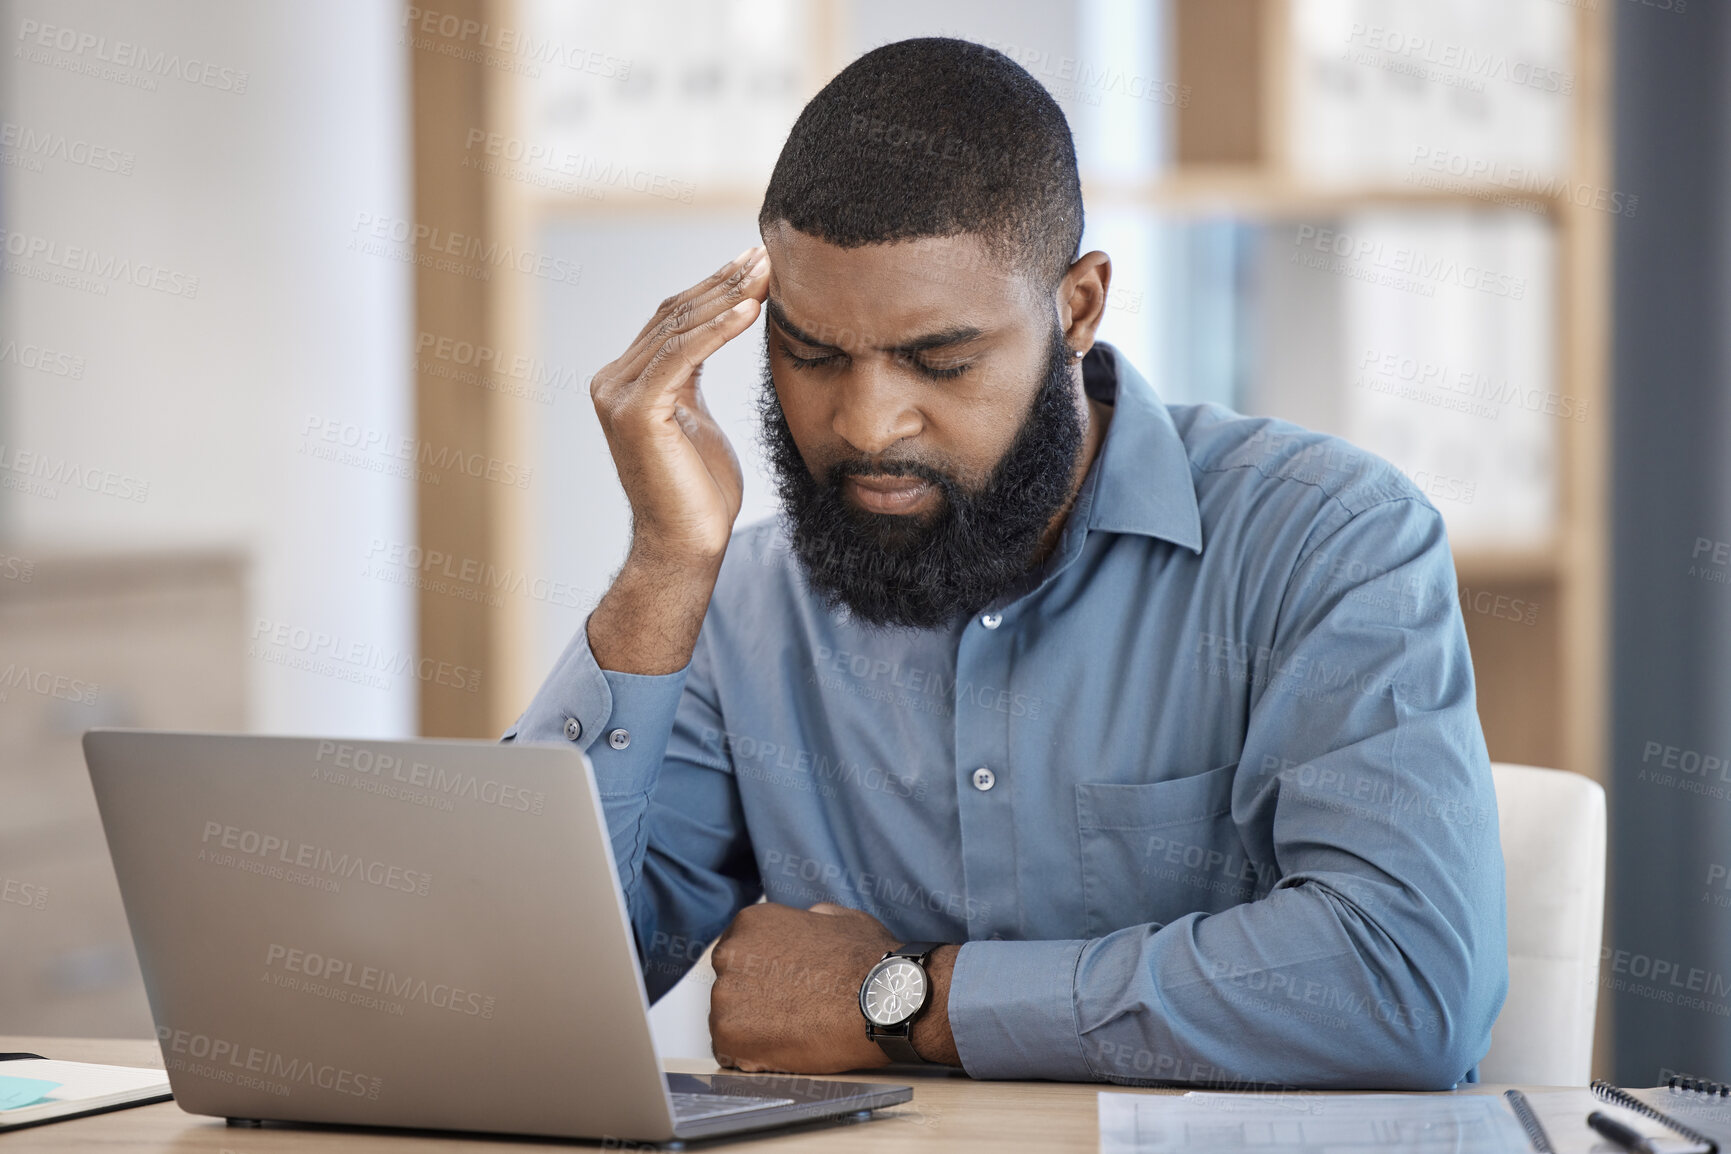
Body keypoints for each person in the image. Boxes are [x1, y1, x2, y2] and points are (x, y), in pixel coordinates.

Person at [505, 37, 1506, 1089]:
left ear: (1077, 307)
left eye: (940, 360)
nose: (868, 423)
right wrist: (665, 563)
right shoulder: (741, 606)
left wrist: (909, 996)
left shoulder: (1327, 540)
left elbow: (1407, 983)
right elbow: (514, 1004)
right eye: (810, 355)